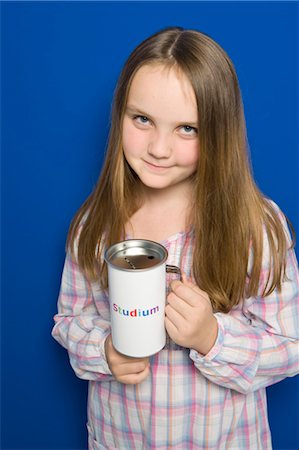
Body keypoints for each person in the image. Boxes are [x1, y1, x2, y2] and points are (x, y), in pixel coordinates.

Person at [52, 27, 299, 449]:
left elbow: (289, 347)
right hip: (120, 438)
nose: (159, 148)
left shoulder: (255, 225)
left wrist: (211, 337)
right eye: (142, 120)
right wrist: (105, 351)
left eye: (187, 128)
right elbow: (69, 321)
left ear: (219, 134)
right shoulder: (95, 225)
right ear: (121, 116)